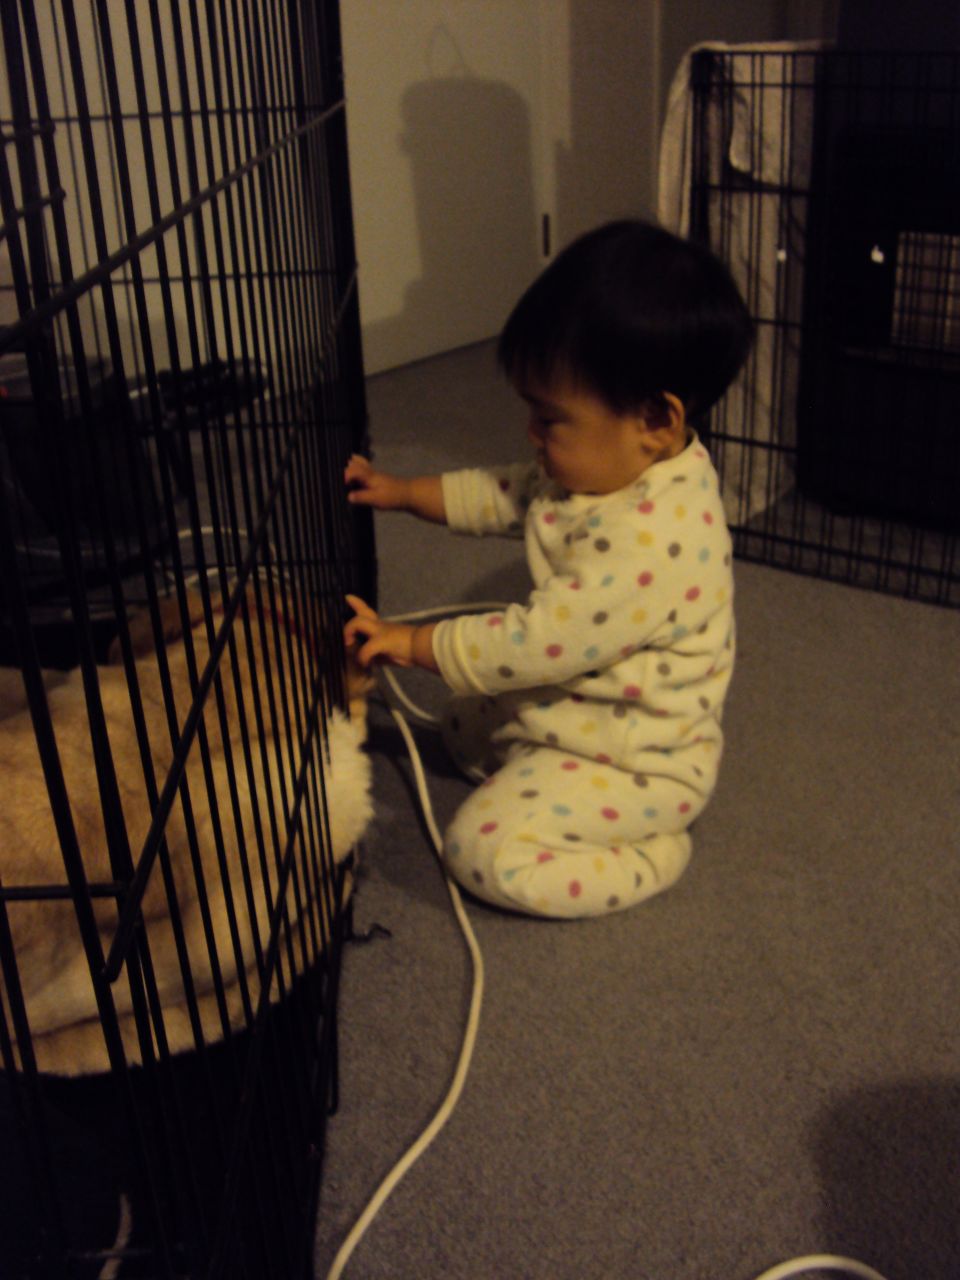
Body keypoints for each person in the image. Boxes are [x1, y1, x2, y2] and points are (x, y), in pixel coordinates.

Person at [344, 219, 752, 919]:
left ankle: (654, 850)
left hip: (635, 758)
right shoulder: (608, 468)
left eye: (550, 420)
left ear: (656, 420)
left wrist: (415, 644)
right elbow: (507, 494)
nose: (531, 435)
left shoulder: (654, 542)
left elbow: (534, 642)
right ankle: (537, 766)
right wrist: (405, 492)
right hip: (581, 706)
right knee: (461, 727)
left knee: (481, 851)